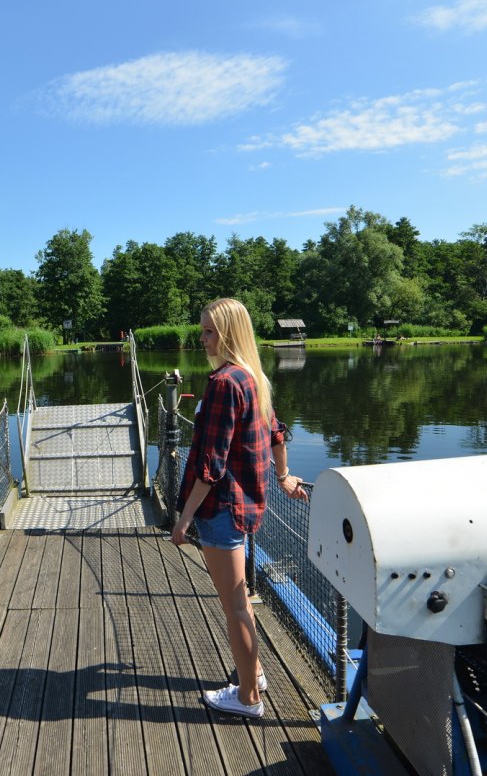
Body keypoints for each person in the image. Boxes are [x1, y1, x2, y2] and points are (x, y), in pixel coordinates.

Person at [170, 298, 304, 719]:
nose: (202, 337)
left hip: (221, 510)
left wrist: (185, 517)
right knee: (241, 598)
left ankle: (248, 698)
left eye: (209, 331)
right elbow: (277, 433)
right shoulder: (253, 377)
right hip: (245, 507)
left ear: (227, 334)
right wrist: (282, 476)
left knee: (235, 606)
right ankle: (256, 673)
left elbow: (211, 463)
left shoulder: (225, 383)